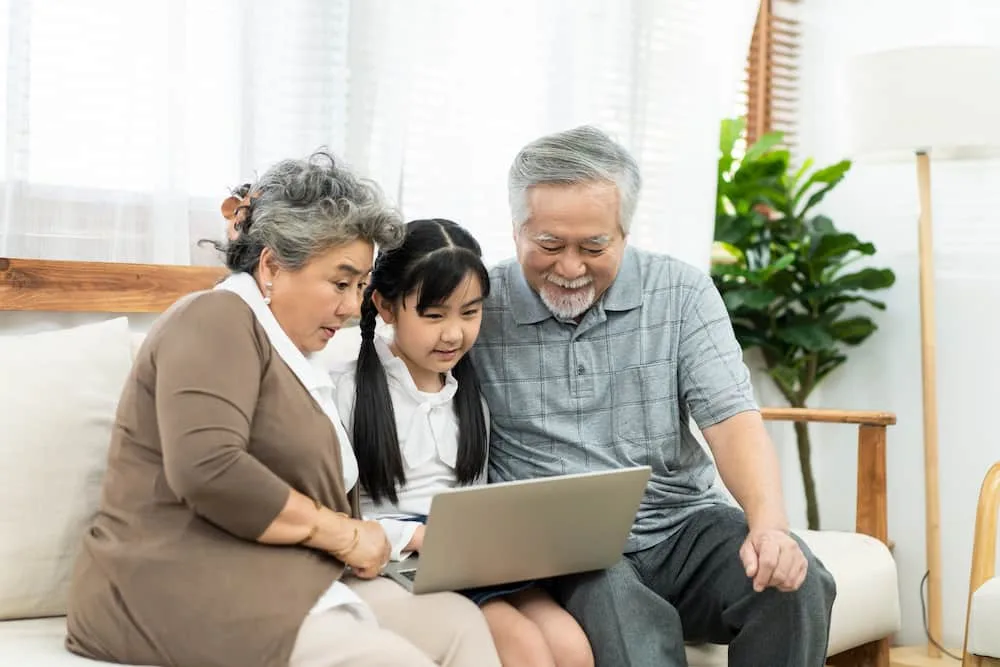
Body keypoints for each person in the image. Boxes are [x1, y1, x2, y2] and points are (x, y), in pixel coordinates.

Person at [65, 151, 502, 667]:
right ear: (272, 265)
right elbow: (210, 468)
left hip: (281, 575)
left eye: (361, 286)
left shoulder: (293, 356)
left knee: (459, 625)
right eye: (341, 283)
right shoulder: (216, 317)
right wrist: (343, 533)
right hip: (180, 584)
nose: (350, 307)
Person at [469, 126, 838, 667]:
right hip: (570, 549)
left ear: (624, 230)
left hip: (684, 524)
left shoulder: (681, 292)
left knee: (795, 585)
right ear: (516, 228)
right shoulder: (479, 307)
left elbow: (732, 421)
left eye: (595, 246)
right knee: (625, 618)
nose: (570, 268)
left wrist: (769, 527)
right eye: (548, 244)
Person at [330, 218, 594, 667]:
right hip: (396, 556)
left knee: (571, 645)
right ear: (386, 306)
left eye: (470, 313)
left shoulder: (470, 393)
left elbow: (473, 497)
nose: (454, 333)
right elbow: (337, 513)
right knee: (523, 645)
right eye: (434, 315)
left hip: (466, 559)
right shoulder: (347, 388)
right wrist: (416, 536)